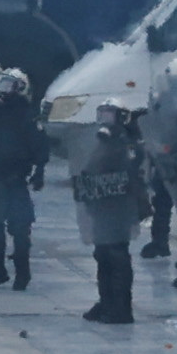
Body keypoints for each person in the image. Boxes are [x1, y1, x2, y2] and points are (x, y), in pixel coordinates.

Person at [71, 103, 150, 323]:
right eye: (102, 113)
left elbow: (130, 169)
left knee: (117, 256)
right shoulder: (101, 141)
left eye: (109, 115)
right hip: (101, 206)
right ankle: (106, 301)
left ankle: (121, 307)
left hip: (119, 207)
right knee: (103, 255)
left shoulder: (128, 144)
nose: (104, 119)